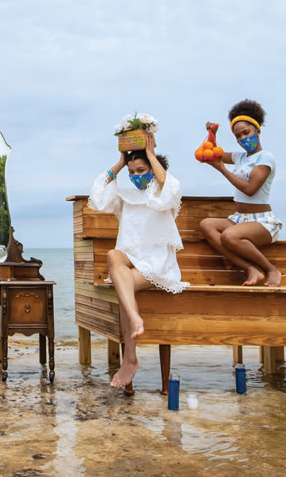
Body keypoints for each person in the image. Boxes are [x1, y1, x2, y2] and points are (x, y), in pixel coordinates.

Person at [88, 138, 187, 389]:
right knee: (113, 255)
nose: (135, 176)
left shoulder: (163, 196)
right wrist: (121, 163)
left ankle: (130, 359)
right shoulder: (126, 196)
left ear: (153, 170)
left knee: (123, 286)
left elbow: (169, 186)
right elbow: (98, 196)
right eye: (132, 172)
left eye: (141, 171)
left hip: (157, 264)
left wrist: (151, 154)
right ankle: (135, 319)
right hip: (129, 260)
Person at [199, 99, 283, 286]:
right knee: (207, 225)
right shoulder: (240, 157)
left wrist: (222, 169)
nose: (243, 138)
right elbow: (213, 153)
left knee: (229, 236)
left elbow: (250, 190)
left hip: (261, 220)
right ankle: (251, 269)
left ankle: (271, 270)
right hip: (239, 218)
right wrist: (212, 134)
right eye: (238, 136)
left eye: (246, 133)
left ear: (257, 130)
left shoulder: (266, 158)